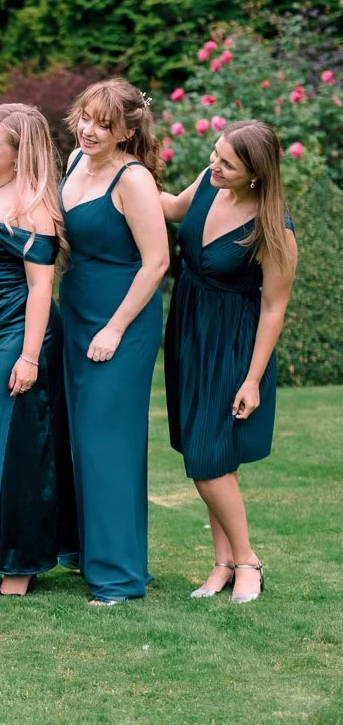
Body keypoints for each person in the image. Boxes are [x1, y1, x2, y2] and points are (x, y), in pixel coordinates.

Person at [160, 120, 296, 605]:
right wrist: (120, 175)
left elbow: (274, 307)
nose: (214, 165)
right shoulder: (206, 183)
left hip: (232, 345)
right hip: (187, 332)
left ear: (255, 174)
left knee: (208, 459)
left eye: (227, 162)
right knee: (204, 453)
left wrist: (253, 379)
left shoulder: (271, 225)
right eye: (215, 154)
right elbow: (172, 207)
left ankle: (247, 562)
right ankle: (221, 565)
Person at [0, 103, 75, 597]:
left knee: (19, 448)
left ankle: (20, 565)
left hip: (20, 331)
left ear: (21, 153)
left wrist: (29, 358)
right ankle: (2, 547)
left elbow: (41, 289)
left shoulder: (35, 206)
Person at [59, 78, 168, 605]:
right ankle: (95, 555)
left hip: (121, 318)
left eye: (105, 124)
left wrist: (116, 328)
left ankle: (119, 577)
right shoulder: (76, 164)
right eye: (86, 118)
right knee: (83, 440)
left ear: (127, 130)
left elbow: (157, 262)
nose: (90, 130)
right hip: (76, 309)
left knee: (108, 442)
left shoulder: (134, 179)